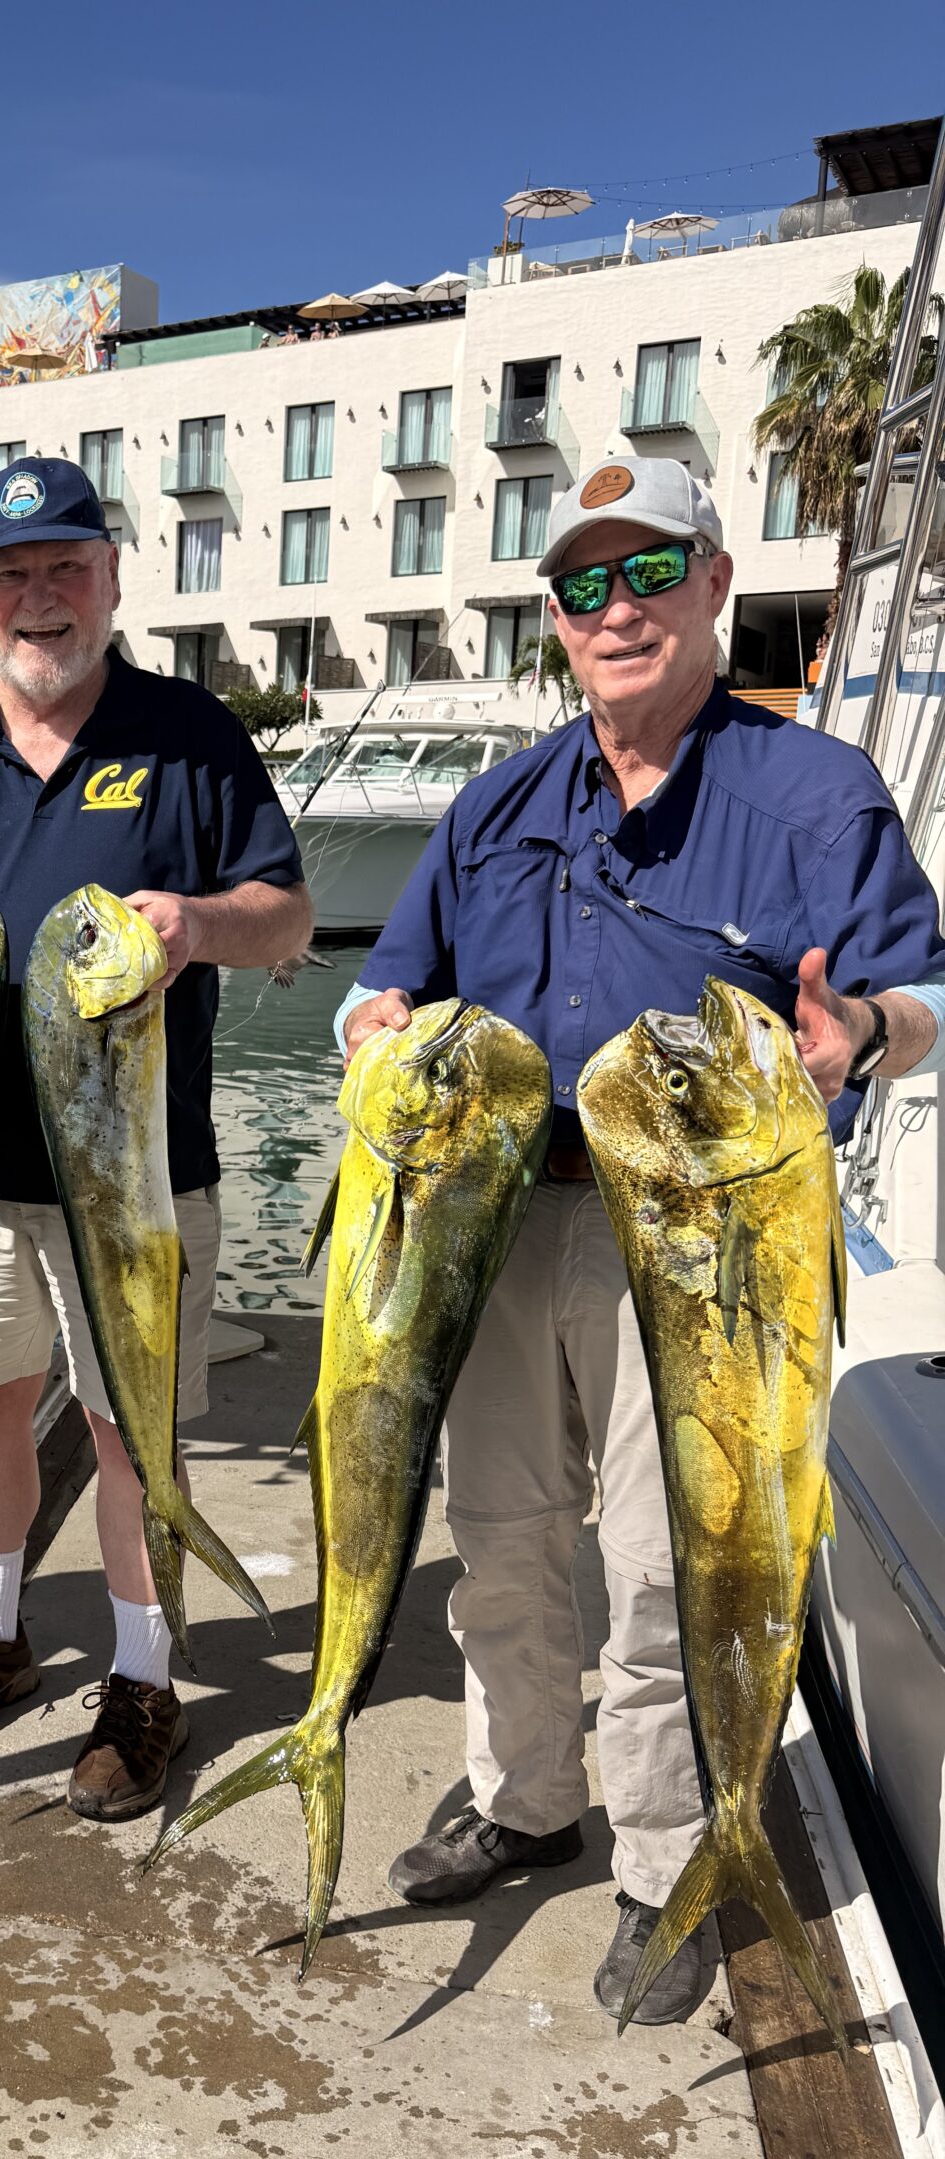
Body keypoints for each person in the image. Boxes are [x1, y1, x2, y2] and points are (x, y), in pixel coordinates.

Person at [337, 455, 945, 2022]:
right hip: (493, 1222)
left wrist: (858, 1032)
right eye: (585, 586)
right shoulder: (497, 801)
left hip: (704, 1243)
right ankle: (525, 1793)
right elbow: (379, 983)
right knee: (501, 1528)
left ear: (716, 584)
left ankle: (674, 1855)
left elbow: (930, 997)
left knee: (673, 1565)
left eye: (650, 573)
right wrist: (373, 1025)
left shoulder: (814, 796)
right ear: (555, 619)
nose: (620, 611)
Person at [0, 456, 312, 1818]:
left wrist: (199, 928)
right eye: (11, 575)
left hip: (137, 1177)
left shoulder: (191, 734)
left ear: (111, 576)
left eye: (64, 567)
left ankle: (146, 1675)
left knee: (127, 1434)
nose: (39, 597)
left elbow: (285, 917)